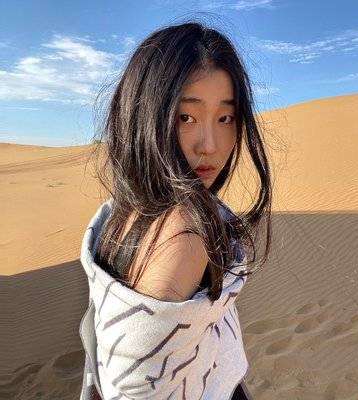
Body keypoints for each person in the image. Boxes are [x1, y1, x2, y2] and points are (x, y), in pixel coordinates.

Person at [79, 19, 272, 399]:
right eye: (186, 117)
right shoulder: (186, 232)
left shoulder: (124, 210)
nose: (209, 145)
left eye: (226, 118)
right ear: (144, 116)